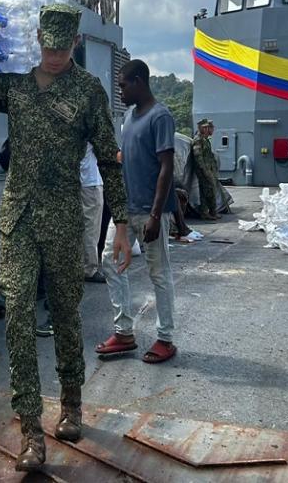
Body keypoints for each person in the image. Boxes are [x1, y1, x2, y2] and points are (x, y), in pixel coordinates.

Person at [0, 3, 130, 472]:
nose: (52, 56)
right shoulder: (15, 83)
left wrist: (123, 226)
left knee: (68, 315)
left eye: (60, 48)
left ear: (73, 42)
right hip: (18, 219)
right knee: (16, 315)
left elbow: (109, 160)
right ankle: (30, 430)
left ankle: (71, 402)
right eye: (46, 48)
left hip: (64, 218)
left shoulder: (89, 91)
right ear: (39, 42)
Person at [96, 59, 180, 363]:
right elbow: (130, 156)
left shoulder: (161, 117)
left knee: (158, 273)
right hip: (126, 210)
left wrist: (157, 215)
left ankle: (165, 339)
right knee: (109, 260)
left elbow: (166, 167)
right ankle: (124, 332)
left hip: (149, 211)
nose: (121, 92)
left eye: (123, 86)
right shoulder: (130, 117)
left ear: (139, 81)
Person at [80, 144, 106, 283]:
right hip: (91, 182)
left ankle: (81, 265)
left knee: (82, 228)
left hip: (79, 181)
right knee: (91, 229)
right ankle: (89, 269)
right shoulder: (92, 128)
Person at [192, 118, 219, 220]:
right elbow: (198, 157)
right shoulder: (198, 140)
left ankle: (209, 212)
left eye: (210, 127)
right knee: (208, 191)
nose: (209, 130)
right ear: (202, 128)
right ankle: (208, 212)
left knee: (208, 190)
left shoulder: (205, 140)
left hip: (209, 169)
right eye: (207, 127)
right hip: (203, 170)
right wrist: (205, 171)